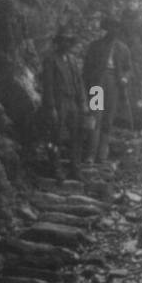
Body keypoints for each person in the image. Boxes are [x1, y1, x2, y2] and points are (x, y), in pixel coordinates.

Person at [83, 13, 132, 163]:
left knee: (108, 120)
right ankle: (90, 155)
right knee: (95, 117)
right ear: (106, 28)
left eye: (116, 27)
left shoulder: (123, 49)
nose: (114, 30)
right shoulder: (95, 46)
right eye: (111, 27)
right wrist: (88, 87)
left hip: (113, 84)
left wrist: (124, 78)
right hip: (97, 84)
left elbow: (128, 69)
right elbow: (86, 68)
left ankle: (102, 155)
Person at [41, 27, 84, 179]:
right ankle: (56, 168)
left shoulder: (72, 60)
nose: (66, 43)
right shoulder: (51, 59)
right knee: (55, 136)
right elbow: (48, 85)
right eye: (63, 40)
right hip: (59, 102)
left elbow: (79, 83)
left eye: (68, 40)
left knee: (76, 135)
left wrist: (83, 103)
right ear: (58, 42)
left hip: (72, 101)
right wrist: (51, 107)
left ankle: (75, 168)